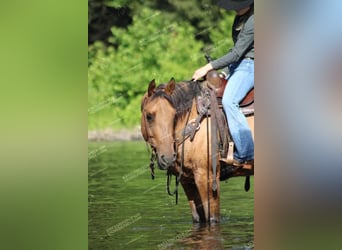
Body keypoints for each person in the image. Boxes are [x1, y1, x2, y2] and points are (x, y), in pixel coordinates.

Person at [192, 0, 254, 169]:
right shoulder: (239, 18)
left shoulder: (253, 21)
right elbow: (236, 54)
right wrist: (225, 71)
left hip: (252, 65)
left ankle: (247, 153)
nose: (234, 8)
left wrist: (207, 67)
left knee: (229, 100)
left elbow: (236, 54)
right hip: (239, 64)